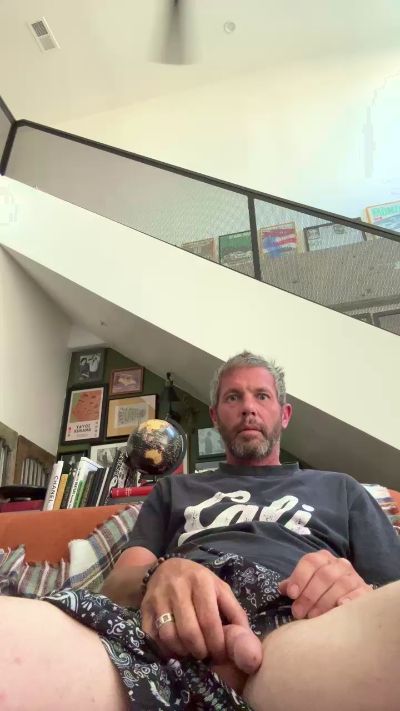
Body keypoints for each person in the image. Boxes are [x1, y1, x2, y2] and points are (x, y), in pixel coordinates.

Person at [1, 351, 400, 710]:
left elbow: (388, 589)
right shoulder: (174, 489)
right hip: (164, 637)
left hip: (299, 627)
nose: (248, 408)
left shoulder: (340, 489)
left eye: (262, 396)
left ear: (284, 414)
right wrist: (160, 573)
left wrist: (355, 589)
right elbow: (115, 585)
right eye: (233, 397)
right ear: (215, 416)